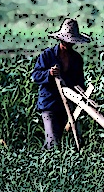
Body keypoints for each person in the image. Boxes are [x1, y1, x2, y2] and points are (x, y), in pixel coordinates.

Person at [31, 18, 91, 150]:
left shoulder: (76, 59)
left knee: (71, 138)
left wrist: (84, 96)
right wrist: (49, 74)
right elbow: (35, 76)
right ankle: (47, 163)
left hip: (68, 104)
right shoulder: (47, 55)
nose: (69, 44)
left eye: (71, 42)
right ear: (61, 40)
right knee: (53, 141)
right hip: (49, 104)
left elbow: (79, 82)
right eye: (67, 41)